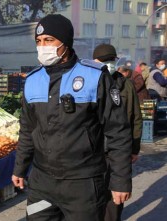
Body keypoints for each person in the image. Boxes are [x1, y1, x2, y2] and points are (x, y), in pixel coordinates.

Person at [12, 14, 132, 221]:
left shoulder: (95, 77)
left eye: (49, 40)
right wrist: (20, 168)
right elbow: (27, 130)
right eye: (38, 41)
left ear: (66, 42)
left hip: (83, 184)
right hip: (41, 183)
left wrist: (120, 180)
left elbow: (118, 131)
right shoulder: (32, 80)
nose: (43, 47)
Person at [93, 44, 142, 221]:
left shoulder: (126, 85)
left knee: (116, 197)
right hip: (94, 150)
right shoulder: (89, 83)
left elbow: (136, 117)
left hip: (118, 150)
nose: (108, 64)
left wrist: (135, 148)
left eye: (110, 60)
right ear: (94, 62)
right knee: (95, 194)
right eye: (103, 61)